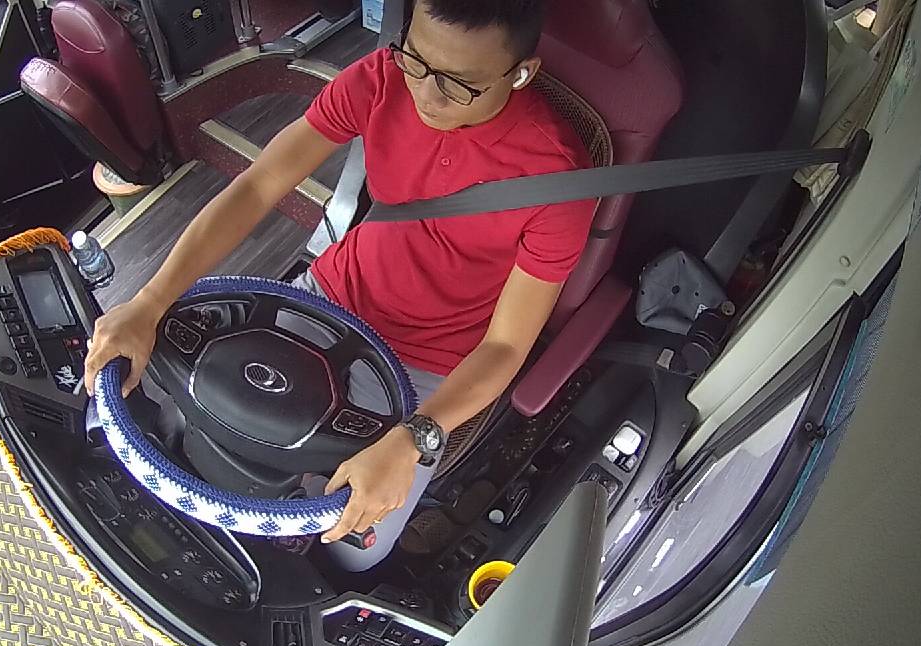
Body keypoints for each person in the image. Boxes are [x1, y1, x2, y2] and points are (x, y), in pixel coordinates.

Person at [84, 0, 594, 571]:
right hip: (329, 295)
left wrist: (413, 438)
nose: (427, 96)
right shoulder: (382, 78)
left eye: (459, 85)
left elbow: (505, 346)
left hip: (428, 362)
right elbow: (260, 184)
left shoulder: (557, 180)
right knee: (186, 426)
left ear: (521, 73)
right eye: (418, 61)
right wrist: (149, 301)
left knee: (352, 552)